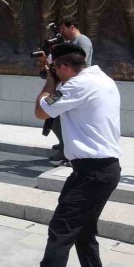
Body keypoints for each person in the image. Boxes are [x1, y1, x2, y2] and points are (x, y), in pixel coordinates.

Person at [35, 43, 121, 267]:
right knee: (84, 232)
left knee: (60, 232)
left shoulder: (76, 86)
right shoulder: (103, 79)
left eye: (54, 68)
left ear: (63, 67)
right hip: (104, 170)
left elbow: (41, 111)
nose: (53, 72)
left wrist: (50, 82)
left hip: (91, 174)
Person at [49, 20, 93, 163]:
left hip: (76, 86)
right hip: (66, 85)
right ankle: (64, 145)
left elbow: (80, 62)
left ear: (72, 27)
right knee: (55, 118)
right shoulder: (72, 42)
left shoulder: (83, 40)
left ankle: (67, 150)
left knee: (60, 119)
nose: (61, 32)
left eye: (63, 29)